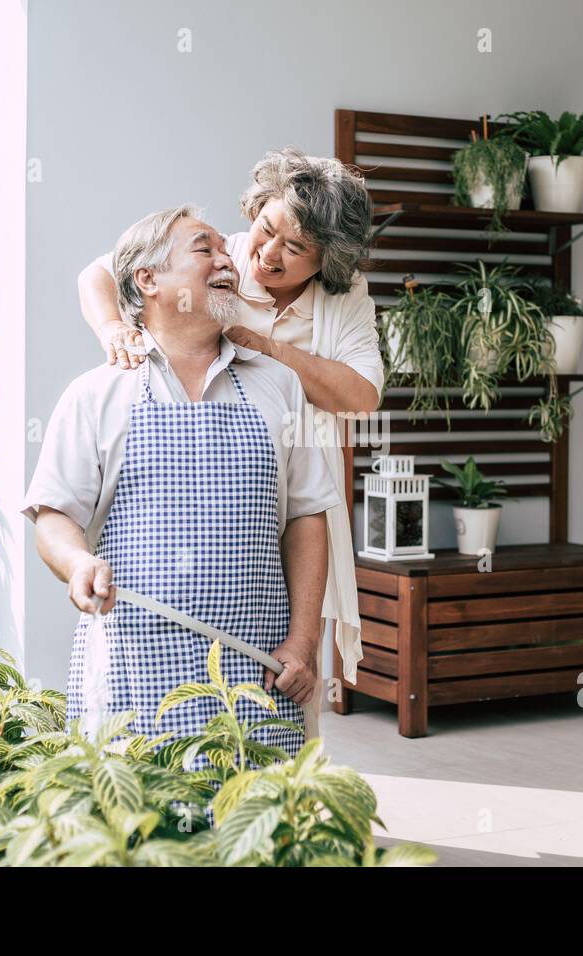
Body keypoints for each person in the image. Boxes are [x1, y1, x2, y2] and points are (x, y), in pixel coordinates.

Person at [23, 205, 339, 762]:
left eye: (225, 251)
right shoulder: (94, 394)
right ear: (148, 280)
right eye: (204, 249)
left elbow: (307, 518)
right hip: (133, 677)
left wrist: (305, 639)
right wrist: (78, 565)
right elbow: (54, 518)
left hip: (258, 677)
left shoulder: (281, 387)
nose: (229, 262)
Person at [77, 149, 381, 692]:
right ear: (257, 208)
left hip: (287, 490)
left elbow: (359, 398)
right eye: (267, 229)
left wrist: (265, 351)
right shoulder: (219, 258)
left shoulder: (344, 299)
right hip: (185, 504)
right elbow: (99, 273)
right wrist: (110, 330)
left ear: (328, 261)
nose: (267, 255)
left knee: (289, 668)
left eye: (296, 248)